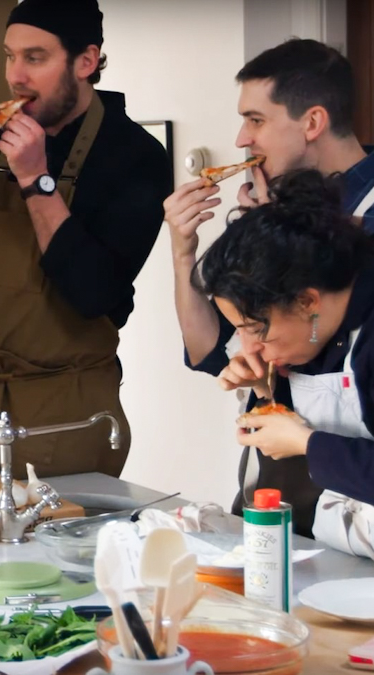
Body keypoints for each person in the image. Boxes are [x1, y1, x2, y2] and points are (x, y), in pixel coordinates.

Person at [0, 0, 169, 478]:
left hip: (59, 414)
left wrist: (36, 179)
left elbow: (95, 294)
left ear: (86, 61)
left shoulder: (134, 156)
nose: (15, 75)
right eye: (9, 56)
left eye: (35, 58)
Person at [165, 38, 374, 536]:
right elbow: (217, 350)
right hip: (305, 522)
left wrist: (307, 440)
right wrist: (182, 251)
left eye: (255, 120)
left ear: (312, 122)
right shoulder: (270, 211)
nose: (241, 139)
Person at [196, 169, 374, 559]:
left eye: (257, 328)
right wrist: (265, 390)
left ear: (308, 302)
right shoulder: (313, 334)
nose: (249, 345)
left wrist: (306, 444)